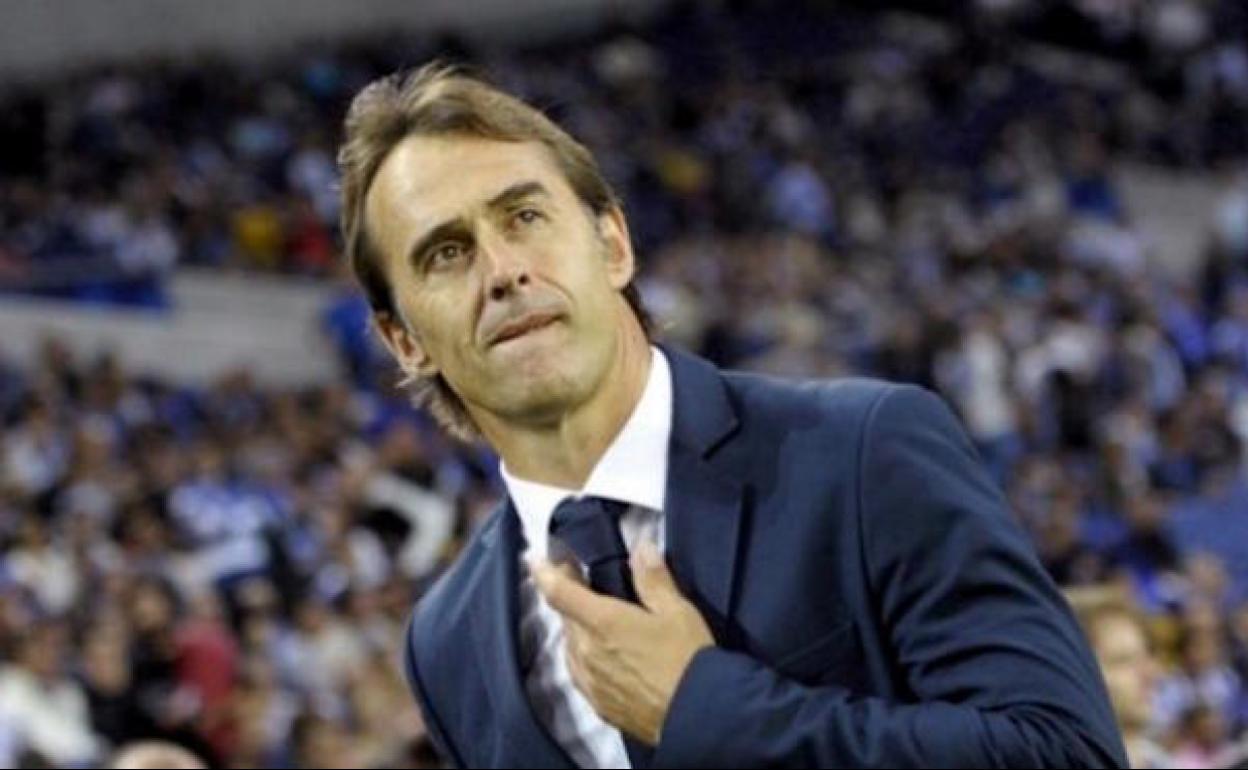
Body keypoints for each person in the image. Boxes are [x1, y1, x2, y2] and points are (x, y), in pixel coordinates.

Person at [336, 62, 1128, 768]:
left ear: (613, 244)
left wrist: (709, 710)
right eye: (446, 253)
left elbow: (1065, 752)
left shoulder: (863, 452)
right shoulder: (447, 642)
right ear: (405, 341)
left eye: (525, 217)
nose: (503, 271)